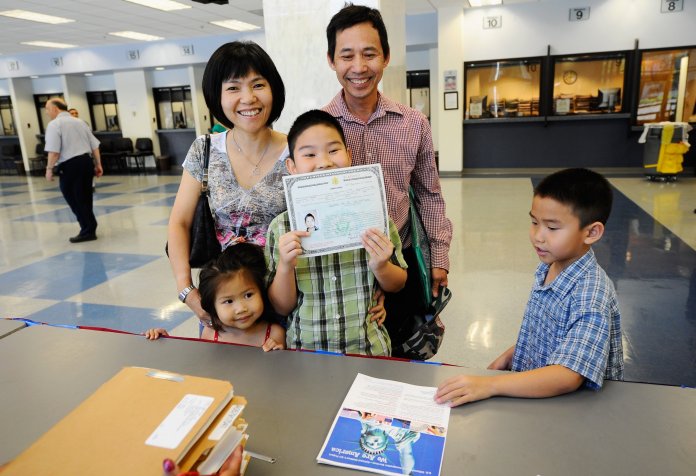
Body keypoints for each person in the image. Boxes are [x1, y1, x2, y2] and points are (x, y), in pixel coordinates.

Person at [324, 4, 453, 354]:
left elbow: (430, 195)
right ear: (331, 60)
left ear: (386, 57)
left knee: (401, 356)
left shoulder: (413, 123)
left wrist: (439, 258)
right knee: (342, 361)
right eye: (346, 55)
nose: (359, 67)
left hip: (401, 261)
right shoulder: (319, 128)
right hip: (342, 268)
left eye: (369, 54)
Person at [435, 168, 624, 407]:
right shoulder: (550, 266)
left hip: (572, 409)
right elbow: (550, 336)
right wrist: (511, 355)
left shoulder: (591, 294)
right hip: (537, 395)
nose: (538, 236)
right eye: (534, 222)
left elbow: (567, 376)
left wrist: (491, 385)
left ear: (591, 232)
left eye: (552, 228)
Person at [167, 41, 289, 328]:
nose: (248, 98)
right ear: (217, 96)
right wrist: (186, 290)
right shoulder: (204, 150)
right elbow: (179, 222)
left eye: (258, 85)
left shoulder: (297, 151)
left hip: (285, 302)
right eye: (233, 88)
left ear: (273, 89)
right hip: (225, 305)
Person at [265, 109, 406, 356]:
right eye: (309, 154)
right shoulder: (281, 228)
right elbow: (281, 307)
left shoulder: (376, 218)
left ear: (349, 156)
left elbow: (397, 284)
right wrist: (286, 266)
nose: (324, 162)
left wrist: (381, 266)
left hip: (369, 349)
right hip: (306, 352)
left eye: (333, 150)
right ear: (292, 166)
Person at [147, 243, 285, 351]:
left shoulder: (274, 333)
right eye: (228, 301)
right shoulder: (211, 333)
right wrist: (165, 343)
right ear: (212, 305)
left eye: (248, 295)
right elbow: (201, 366)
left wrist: (279, 354)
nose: (241, 309)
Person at [44, 98, 103, 243]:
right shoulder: (80, 122)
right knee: (85, 196)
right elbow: (94, 146)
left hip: (70, 165)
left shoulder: (54, 124)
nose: (47, 112)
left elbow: (54, 151)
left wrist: (49, 169)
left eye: (47, 109)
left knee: (74, 198)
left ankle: (88, 229)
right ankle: (89, 227)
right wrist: (98, 164)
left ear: (55, 109)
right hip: (86, 162)